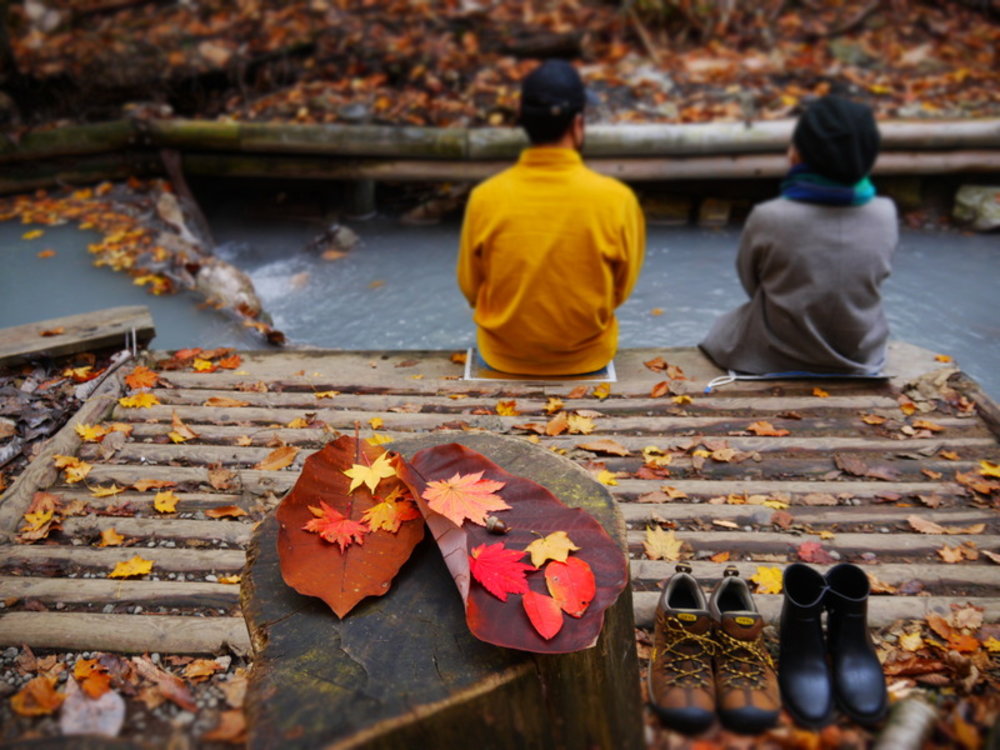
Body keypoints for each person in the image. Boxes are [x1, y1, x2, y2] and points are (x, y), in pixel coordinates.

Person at [457, 59, 645, 376]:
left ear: (522, 120)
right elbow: (620, 290)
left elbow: (471, 288)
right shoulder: (617, 200)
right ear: (577, 123)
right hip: (587, 358)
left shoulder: (485, 197)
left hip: (502, 356)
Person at [700, 95, 898, 376]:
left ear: (798, 154)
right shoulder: (885, 213)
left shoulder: (770, 216)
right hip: (859, 352)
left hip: (774, 353)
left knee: (723, 328)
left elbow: (752, 283)